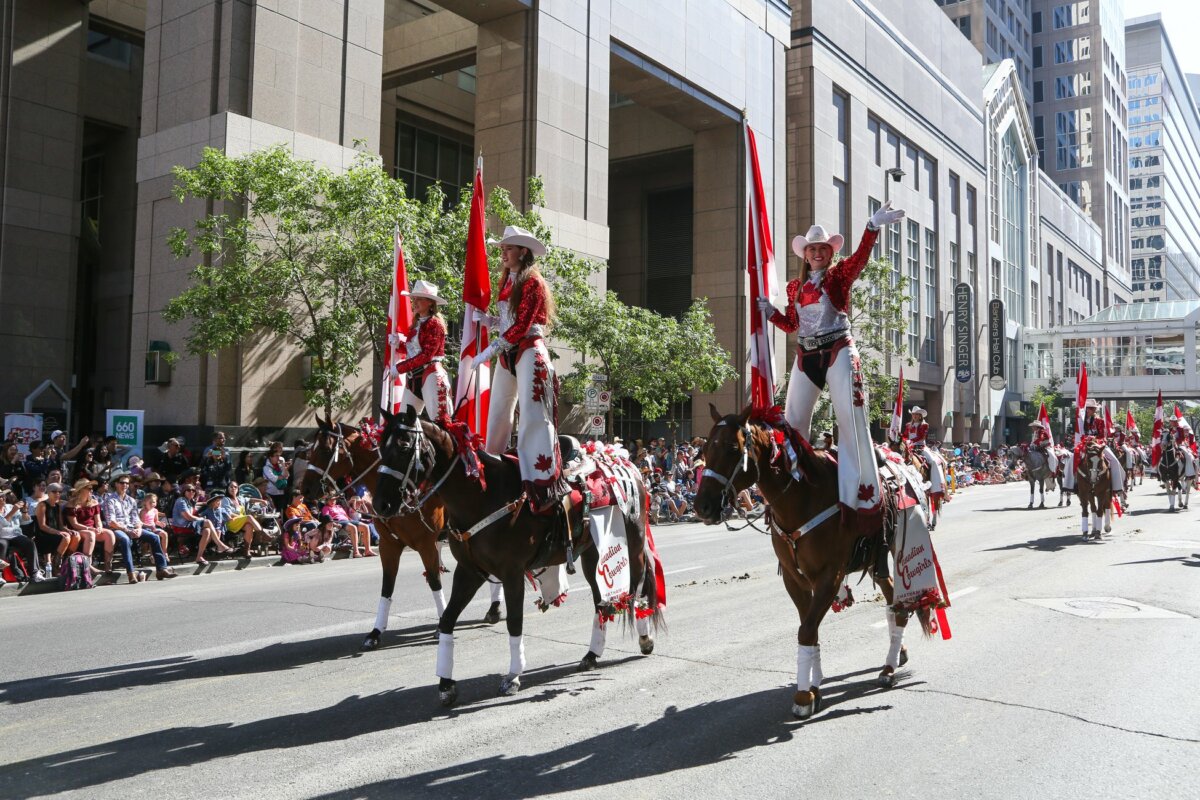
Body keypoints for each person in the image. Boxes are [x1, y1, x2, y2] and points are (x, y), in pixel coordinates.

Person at [759, 201, 907, 530]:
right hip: (807, 354)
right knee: (791, 424)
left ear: (829, 252)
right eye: (812, 249)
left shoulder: (839, 276)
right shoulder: (796, 287)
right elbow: (793, 324)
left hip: (839, 349)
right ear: (805, 253)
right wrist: (771, 313)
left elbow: (859, 260)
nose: (817, 253)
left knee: (851, 420)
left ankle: (863, 494)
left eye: (822, 248)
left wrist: (871, 227)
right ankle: (793, 489)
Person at [471, 226, 565, 513]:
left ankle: (539, 478)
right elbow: (509, 321)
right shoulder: (508, 281)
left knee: (533, 414)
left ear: (523, 252)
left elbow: (523, 325)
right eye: (502, 248)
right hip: (508, 353)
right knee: (498, 412)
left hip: (527, 351)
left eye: (508, 248)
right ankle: (492, 468)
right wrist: (489, 322)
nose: (503, 253)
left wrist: (490, 349)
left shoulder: (532, 282)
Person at [391, 279, 453, 420]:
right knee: (403, 421)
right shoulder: (416, 324)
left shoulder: (435, 324)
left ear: (430, 302)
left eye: (419, 299)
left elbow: (426, 355)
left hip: (431, 375)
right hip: (414, 379)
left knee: (440, 422)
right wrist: (399, 343)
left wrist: (399, 368)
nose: (415, 302)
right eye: (414, 299)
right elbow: (414, 351)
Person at [102, 474, 175, 582]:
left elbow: (136, 519)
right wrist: (126, 530)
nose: (125, 485)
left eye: (127, 483)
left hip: (132, 528)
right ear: (116, 484)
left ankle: (161, 569)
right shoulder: (110, 500)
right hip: (116, 529)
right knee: (125, 539)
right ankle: (131, 573)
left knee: (154, 537)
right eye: (122, 483)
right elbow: (111, 522)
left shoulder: (131, 500)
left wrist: (139, 529)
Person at [1077, 399, 1125, 499]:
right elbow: (1077, 435)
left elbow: (1102, 436)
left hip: (1098, 444)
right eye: (1089, 409)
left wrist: (1094, 438)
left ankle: (1118, 487)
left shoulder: (1099, 421)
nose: (1091, 411)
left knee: (1114, 461)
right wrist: (1084, 439)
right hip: (1084, 445)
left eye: (1092, 409)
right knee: (1071, 459)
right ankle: (1070, 485)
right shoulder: (1080, 421)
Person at [171, 484, 229, 565]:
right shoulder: (181, 500)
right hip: (181, 526)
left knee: (207, 530)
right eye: (188, 490)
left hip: (189, 525)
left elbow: (197, 509)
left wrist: (206, 504)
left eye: (193, 490)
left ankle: (199, 557)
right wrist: (201, 519)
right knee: (207, 522)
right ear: (184, 491)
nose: (191, 492)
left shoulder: (190, 502)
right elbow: (187, 517)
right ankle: (220, 545)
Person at [0, 487, 46, 583]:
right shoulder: (12, 509)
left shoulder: (9, 507)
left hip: (15, 534)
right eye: (0, 497)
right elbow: (3, 524)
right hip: (2, 535)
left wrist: (24, 511)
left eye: (3, 496)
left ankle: (35, 572)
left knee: (29, 543)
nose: (3, 498)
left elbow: (25, 522)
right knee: (2, 544)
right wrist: (13, 511)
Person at [903, 406, 946, 501]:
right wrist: (903, 440)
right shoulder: (908, 425)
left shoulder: (924, 425)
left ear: (920, 416)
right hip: (908, 447)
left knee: (934, 462)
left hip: (920, 447)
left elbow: (921, 437)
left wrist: (911, 441)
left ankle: (937, 488)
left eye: (916, 414)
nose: (914, 416)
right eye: (913, 414)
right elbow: (905, 435)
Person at [64, 479, 110, 566]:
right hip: (79, 530)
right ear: (81, 490)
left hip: (92, 528)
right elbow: (74, 524)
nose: (91, 490)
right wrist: (89, 528)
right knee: (90, 534)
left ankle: (108, 564)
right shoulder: (71, 504)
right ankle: (87, 565)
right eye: (89, 488)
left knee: (109, 534)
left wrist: (99, 527)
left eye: (91, 488)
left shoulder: (94, 503)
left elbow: (98, 520)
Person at [262, 444, 290, 514]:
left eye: (279, 456)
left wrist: (283, 466)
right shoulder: (266, 467)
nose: (278, 458)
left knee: (281, 512)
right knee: (273, 512)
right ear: (271, 457)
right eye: (276, 456)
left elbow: (287, 475)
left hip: (281, 492)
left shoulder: (280, 465)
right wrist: (282, 476)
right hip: (271, 493)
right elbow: (274, 478)